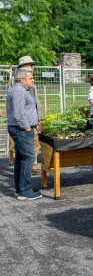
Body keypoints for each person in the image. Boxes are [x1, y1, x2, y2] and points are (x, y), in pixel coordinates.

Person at [7, 68, 42, 200]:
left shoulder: (21, 90)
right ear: (22, 79)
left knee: (21, 159)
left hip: (22, 129)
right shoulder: (18, 92)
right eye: (31, 78)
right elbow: (19, 113)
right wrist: (27, 127)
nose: (33, 80)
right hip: (21, 129)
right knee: (28, 158)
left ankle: (21, 189)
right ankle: (24, 191)